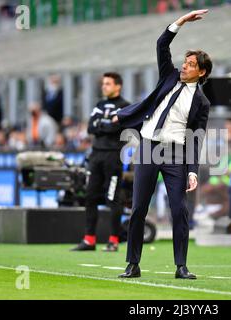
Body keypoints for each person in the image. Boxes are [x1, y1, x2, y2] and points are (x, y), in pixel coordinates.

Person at [112, 9, 212, 279]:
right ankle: (132, 264)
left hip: (176, 155)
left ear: (201, 72)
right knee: (138, 209)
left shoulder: (202, 103)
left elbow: (197, 137)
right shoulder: (169, 76)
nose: (184, 66)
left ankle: (181, 266)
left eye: (190, 64)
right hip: (148, 147)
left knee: (179, 210)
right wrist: (181, 21)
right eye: (185, 61)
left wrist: (192, 170)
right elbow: (162, 44)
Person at [71, 72, 130, 252]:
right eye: (103, 84)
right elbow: (91, 127)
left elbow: (117, 128)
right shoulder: (99, 105)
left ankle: (113, 240)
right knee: (89, 196)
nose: (104, 86)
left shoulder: (125, 106)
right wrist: (107, 124)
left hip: (113, 156)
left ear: (118, 86)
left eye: (108, 84)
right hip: (96, 156)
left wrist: (102, 125)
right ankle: (89, 239)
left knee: (112, 197)